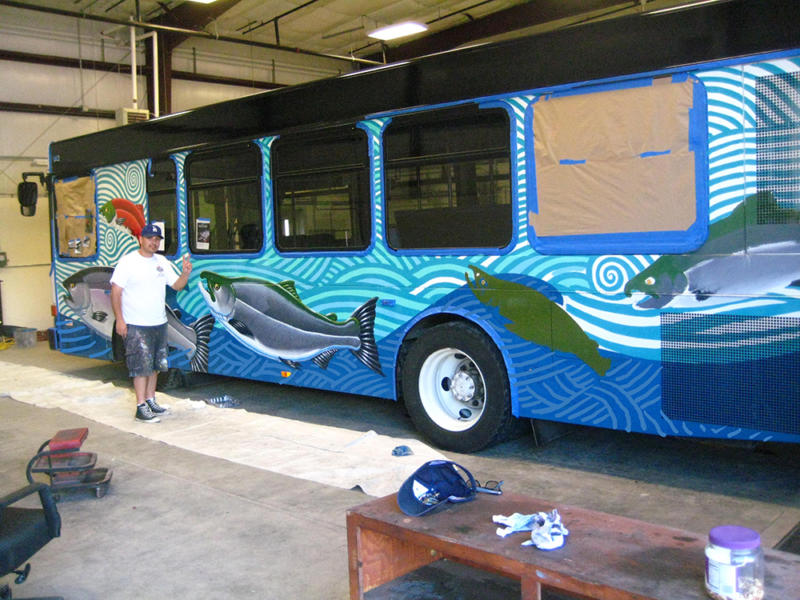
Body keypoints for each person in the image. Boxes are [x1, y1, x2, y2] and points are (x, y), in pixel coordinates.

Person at [110, 223, 192, 423]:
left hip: (159, 322)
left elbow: (177, 286)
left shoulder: (162, 261)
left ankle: (151, 400)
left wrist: (185, 273)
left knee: (155, 365)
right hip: (136, 324)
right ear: (141, 239)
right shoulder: (128, 262)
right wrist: (120, 319)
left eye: (157, 239)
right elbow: (116, 292)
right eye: (150, 238)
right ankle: (140, 407)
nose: (153, 242)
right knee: (141, 367)